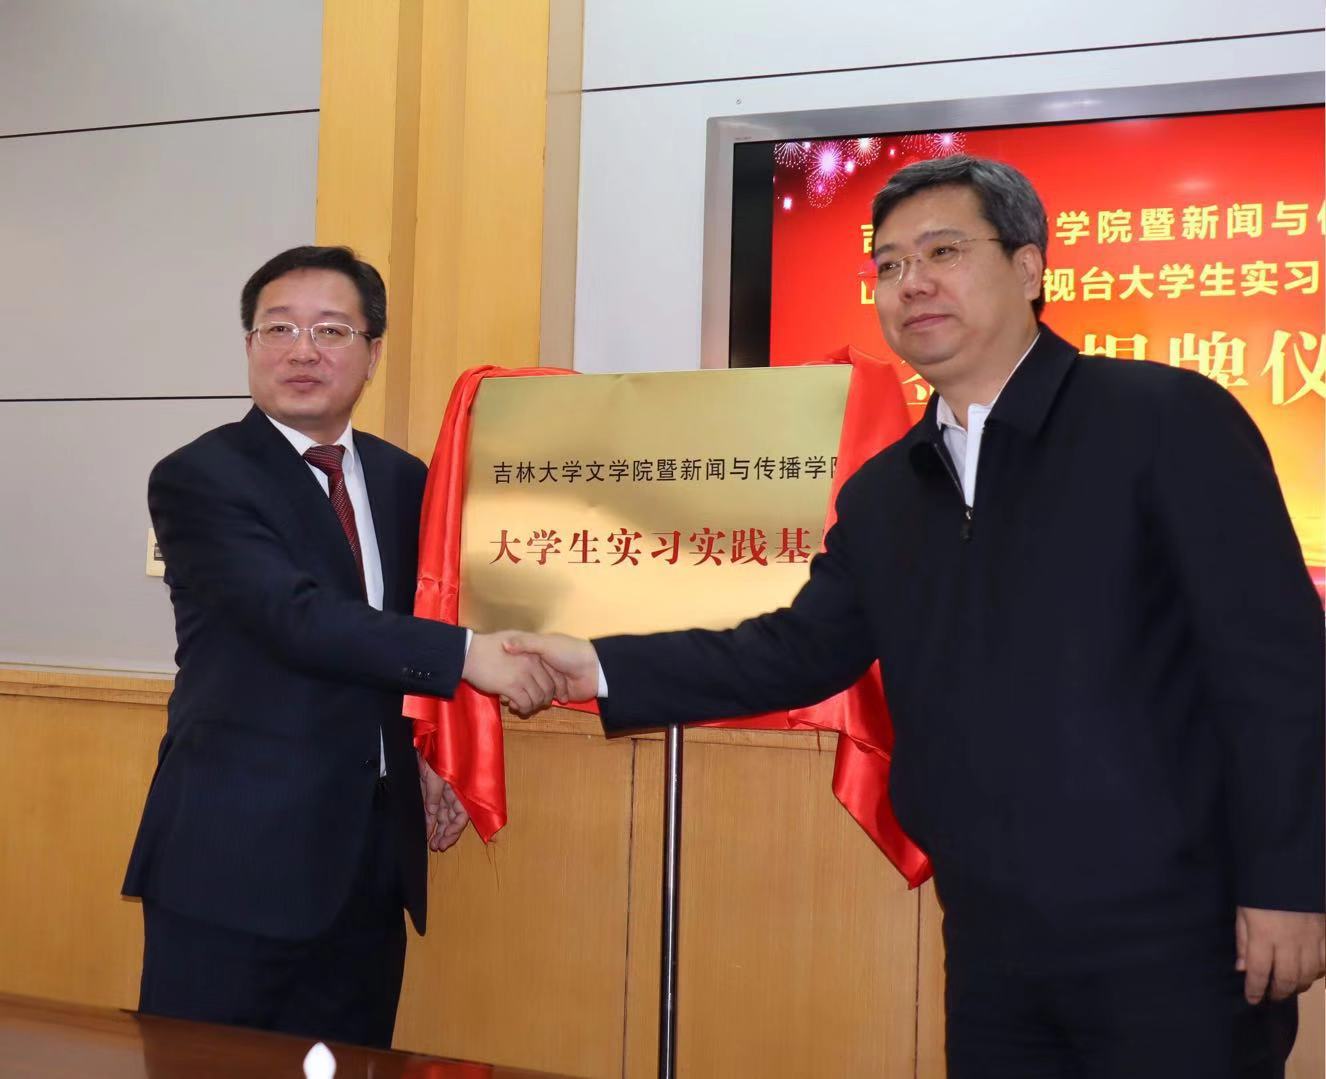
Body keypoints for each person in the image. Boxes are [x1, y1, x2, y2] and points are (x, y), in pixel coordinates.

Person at [510, 157, 1326, 1077]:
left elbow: (1277, 667)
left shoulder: (1163, 419)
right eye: (889, 266)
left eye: (943, 251)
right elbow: (794, 650)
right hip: (991, 938)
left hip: (1178, 930)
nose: (912, 283)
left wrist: (1290, 883)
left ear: (1029, 266)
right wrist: (598, 665)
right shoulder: (886, 491)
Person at [123, 245, 556, 1048]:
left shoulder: (403, 480)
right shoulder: (199, 476)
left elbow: (400, 633)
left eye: (330, 330)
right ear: (249, 344)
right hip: (233, 864)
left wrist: (428, 750)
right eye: (278, 328)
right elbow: (296, 617)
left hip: (368, 866)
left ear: (372, 353)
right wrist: (470, 654)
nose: (302, 350)